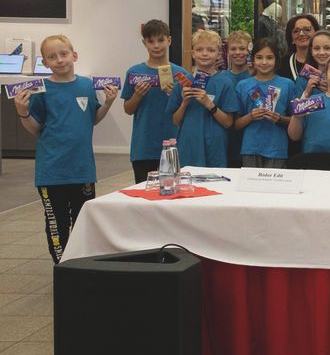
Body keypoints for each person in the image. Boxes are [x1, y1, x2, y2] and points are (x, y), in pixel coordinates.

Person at [13, 35, 118, 263]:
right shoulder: (40, 90)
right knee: (57, 223)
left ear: (74, 55)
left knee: (82, 221)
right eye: (52, 57)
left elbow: (92, 119)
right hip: (52, 171)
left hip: (82, 169)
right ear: (45, 63)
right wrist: (23, 112)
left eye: (63, 54)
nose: (59, 60)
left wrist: (108, 103)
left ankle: (80, 264)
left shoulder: (87, 86)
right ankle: (62, 266)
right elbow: (35, 128)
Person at [121, 19, 185, 183]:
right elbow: (128, 109)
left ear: (169, 41)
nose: (156, 46)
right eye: (151, 41)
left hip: (173, 145)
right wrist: (137, 95)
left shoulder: (180, 74)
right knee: (145, 194)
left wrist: (174, 96)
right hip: (144, 146)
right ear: (144, 43)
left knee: (172, 193)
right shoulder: (134, 72)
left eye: (161, 40)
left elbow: (185, 110)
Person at [166, 29, 236, 167]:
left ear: (218, 54)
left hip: (215, 147)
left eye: (210, 50)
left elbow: (228, 122)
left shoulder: (225, 83)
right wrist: (185, 103)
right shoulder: (183, 83)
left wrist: (209, 104)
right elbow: (175, 120)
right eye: (199, 50)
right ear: (193, 54)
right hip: (189, 145)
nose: (204, 54)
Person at [234, 39, 295, 168]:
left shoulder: (287, 84)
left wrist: (279, 119)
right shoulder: (243, 85)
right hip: (250, 147)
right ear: (253, 60)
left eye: (269, 58)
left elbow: (296, 121)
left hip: (277, 148)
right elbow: (236, 124)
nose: (264, 62)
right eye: (259, 57)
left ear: (276, 60)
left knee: (275, 187)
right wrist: (251, 116)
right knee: (250, 187)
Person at [217, 30, 253, 167]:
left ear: (249, 50)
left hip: (248, 137)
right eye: (234, 49)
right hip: (226, 137)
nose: (238, 52)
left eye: (242, 48)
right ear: (227, 51)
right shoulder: (221, 77)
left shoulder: (255, 77)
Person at [278, 14, 319, 80]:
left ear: (316, 32)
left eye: (307, 29)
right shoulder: (282, 63)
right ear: (291, 37)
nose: (301, 34)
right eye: (296, 31)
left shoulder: (324, 60)